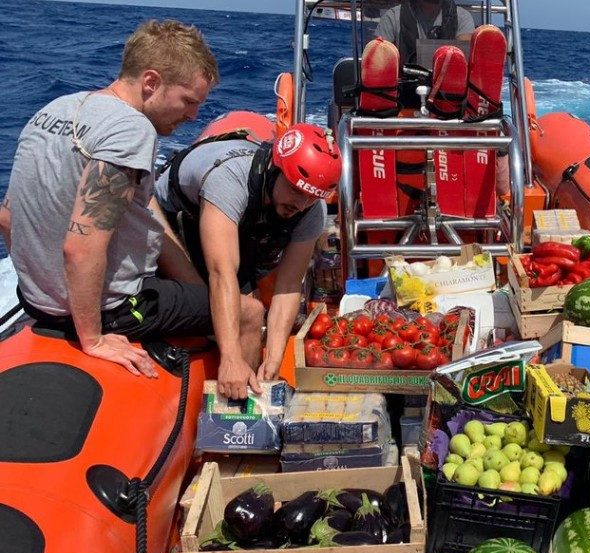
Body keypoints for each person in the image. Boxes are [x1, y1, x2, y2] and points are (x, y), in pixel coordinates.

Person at [0, 20, 218, 378]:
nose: (193, 115)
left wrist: (46, 291)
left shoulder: (55, 109)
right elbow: (81, 247)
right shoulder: (131, 130)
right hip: (105, 310)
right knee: (241, 311)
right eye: (189, 101)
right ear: (151, 82)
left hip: (35, 299)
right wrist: (93, 338)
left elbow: (8, 218)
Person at [152, 123, 340, 400]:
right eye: (296, 191)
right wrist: (230, 358)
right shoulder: (229, 180)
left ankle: (247, 405)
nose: (300, 204)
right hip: (172, 228)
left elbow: (288, 286)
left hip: (240, 230)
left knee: (251, 316)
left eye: (312, 197)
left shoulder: (311, 211)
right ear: (275, 168)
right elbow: (221, 273)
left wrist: (274, 360)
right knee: (248, 314)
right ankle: (222, 388)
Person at [374, 0, 475, 65]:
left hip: (448, 95)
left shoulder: (463, 18)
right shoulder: (392, 18)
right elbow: (377, 62)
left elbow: (465, 59)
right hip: (404, 93)